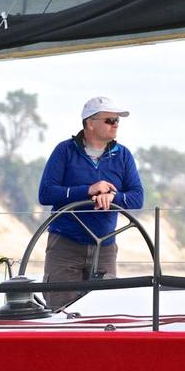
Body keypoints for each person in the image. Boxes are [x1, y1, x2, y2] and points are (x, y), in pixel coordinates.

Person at [37, 96, 144, 309]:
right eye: (109, 120)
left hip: (104, 247)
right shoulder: (64, 151)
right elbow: (46, 194)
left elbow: (137, 197)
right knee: (59, 311)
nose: (115, 125)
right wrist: (88, 190)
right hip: (65, 246)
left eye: (117, 121)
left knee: (103, 312)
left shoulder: (123, 155)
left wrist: (113, 197)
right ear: (90, 123)